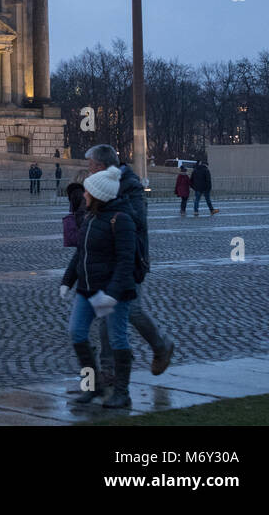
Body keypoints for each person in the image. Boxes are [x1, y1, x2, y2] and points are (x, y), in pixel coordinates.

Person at [85, 143, 175, 382]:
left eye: (91, 166)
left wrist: (111, 203)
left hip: (129, 258)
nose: (88, 171)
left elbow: (138, 222)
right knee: (106, 309)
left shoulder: (130, 186)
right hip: (105, 258)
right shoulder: (98, 184)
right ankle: (109, 368)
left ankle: (161, 345)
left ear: (102, 166)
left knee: (131, 309)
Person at [61, 165, 138, 408]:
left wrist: (113, 294)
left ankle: (122, 392)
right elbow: (80, 254)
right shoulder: (90, 217)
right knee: (77, 332)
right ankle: (93, 386)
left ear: (98, 195)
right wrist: (67, 281)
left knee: (117, 340)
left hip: (113, 293)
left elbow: (126, 261)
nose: (84, 195)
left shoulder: (121, 220)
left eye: (88, 192)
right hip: (87, 289)